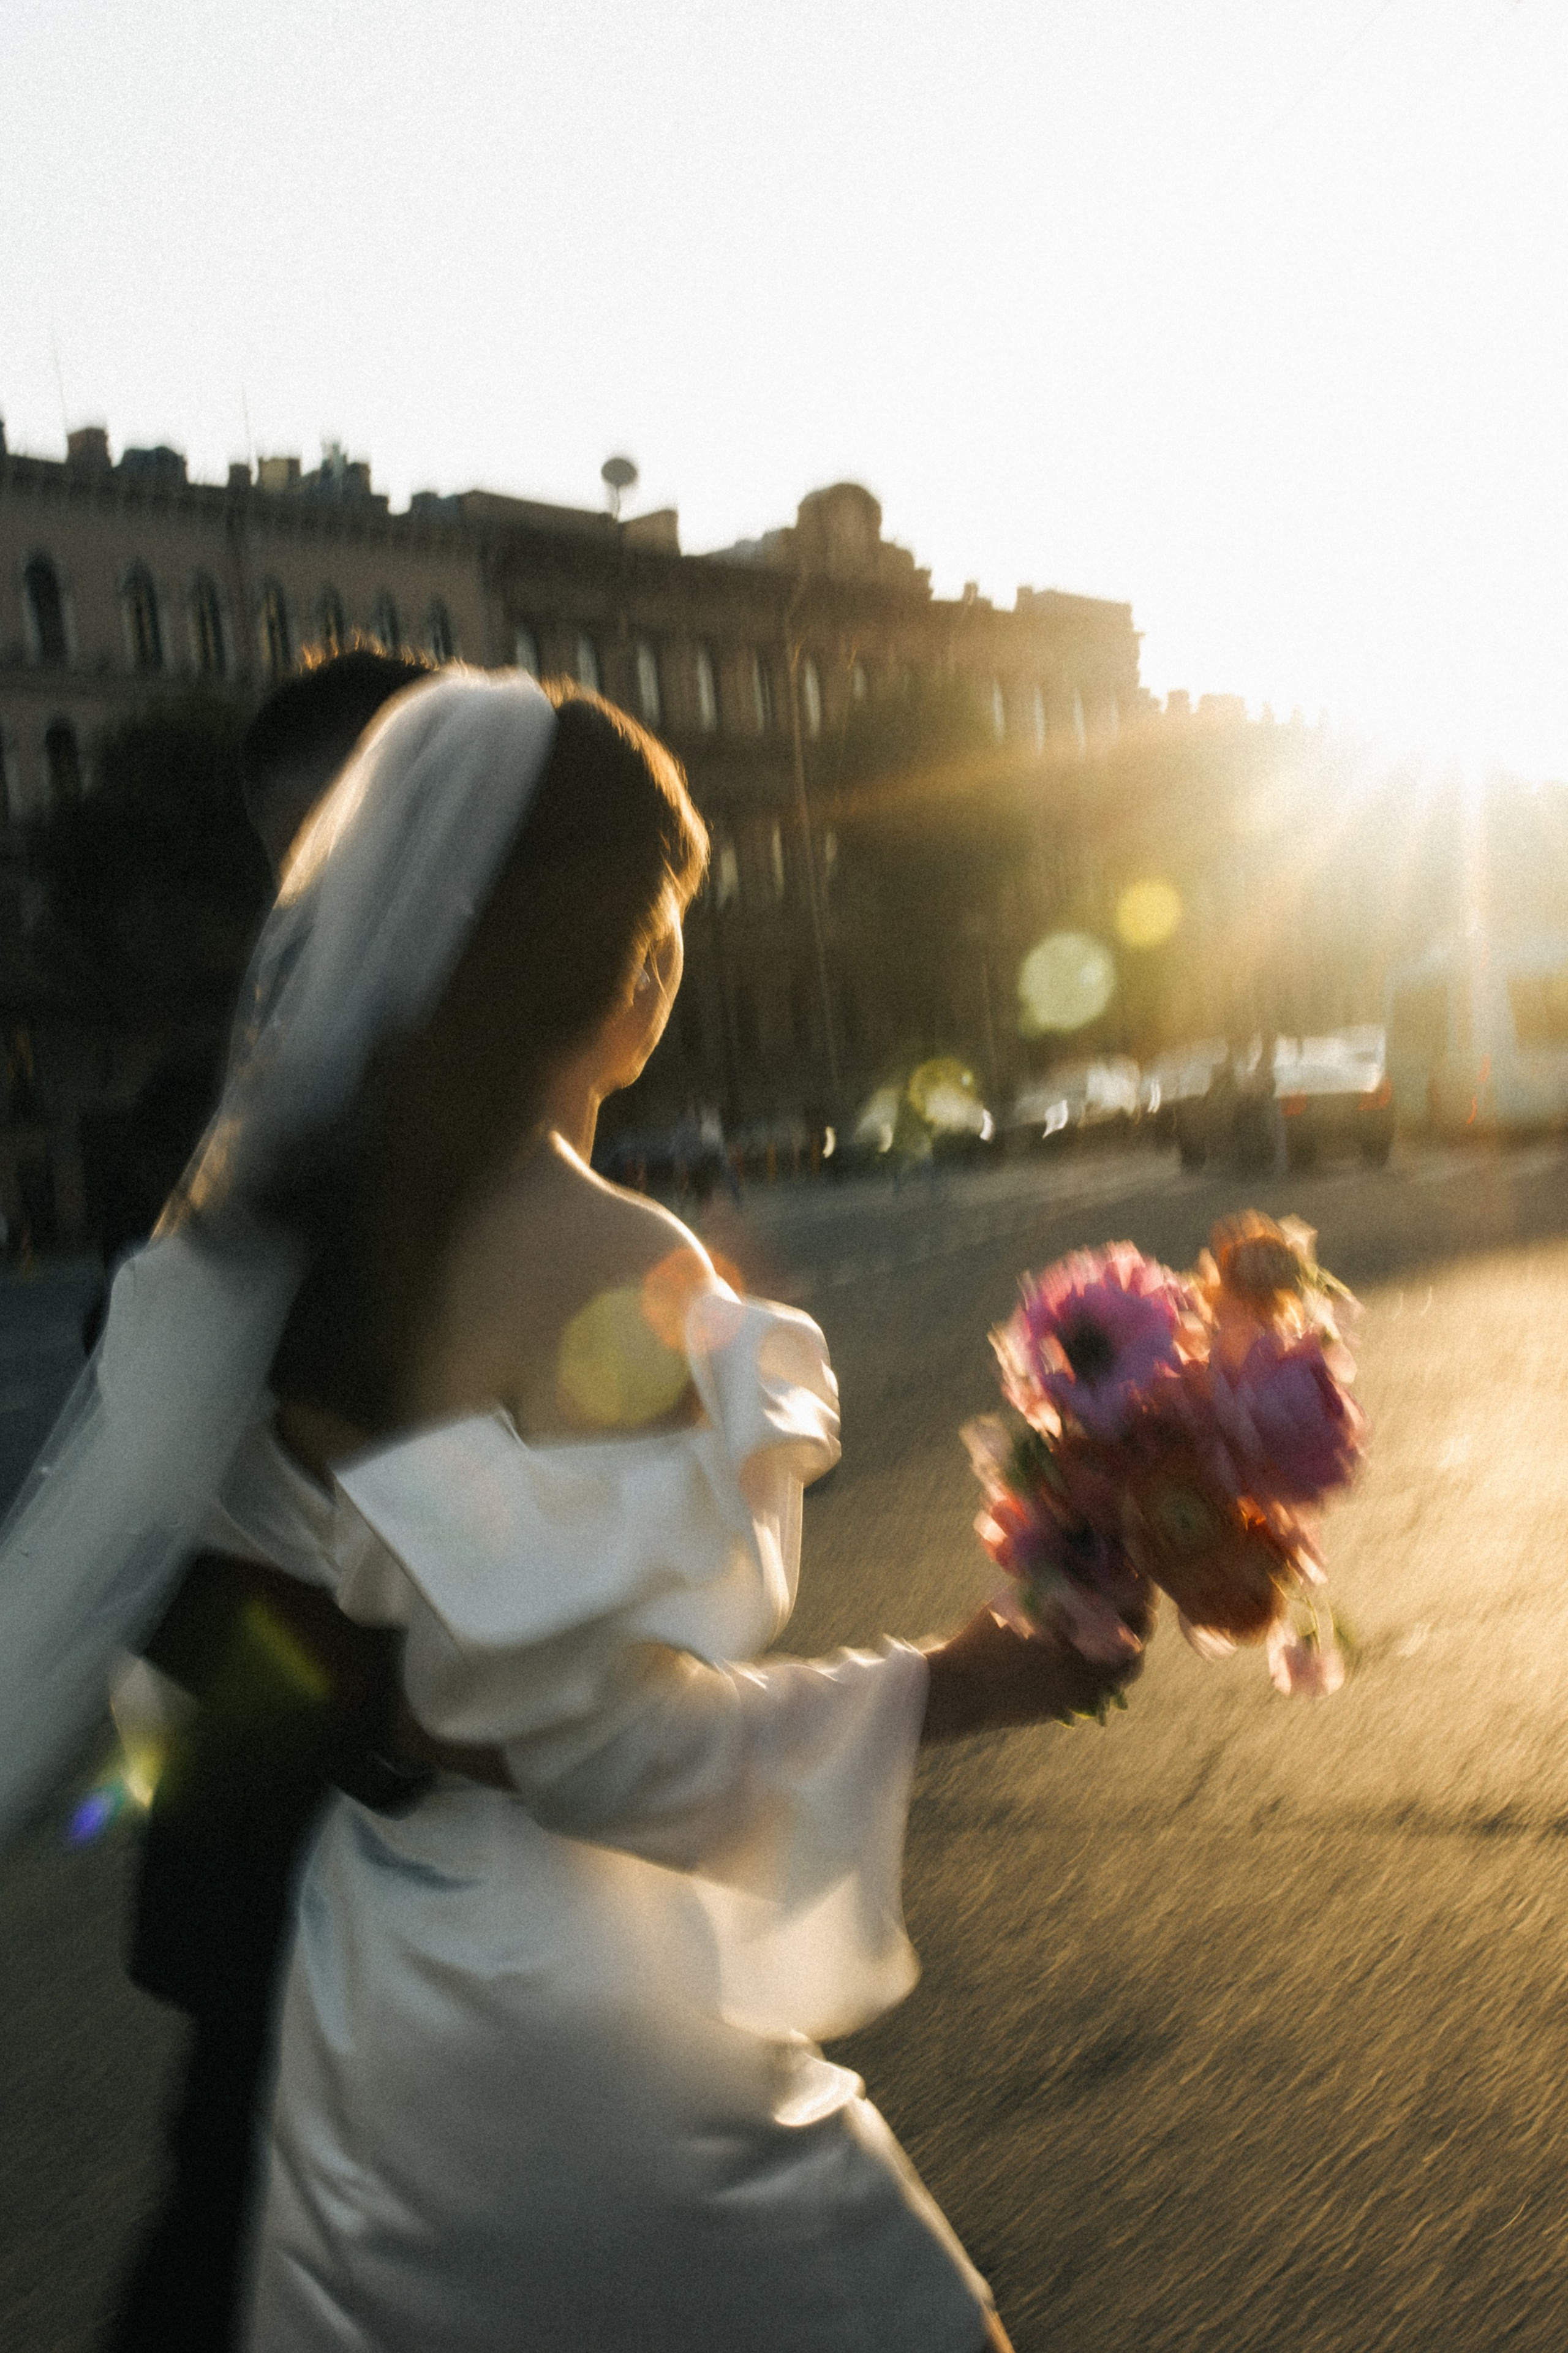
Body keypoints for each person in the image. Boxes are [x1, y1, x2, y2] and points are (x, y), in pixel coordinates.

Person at [0, 669, 1142, 2353]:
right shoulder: (613, 1257)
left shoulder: (265, 1235)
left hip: (361, 1970)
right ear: (636, 962)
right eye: (670, 921)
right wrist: (960, 1683)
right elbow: (597, 1754)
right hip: (572, 1999)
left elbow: (255, 1637)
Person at [102, 646, 433, 2353]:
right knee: (230, 2225)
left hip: (480, 1828)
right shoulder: (223, 1133)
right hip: (279, 1828)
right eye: (297, 857)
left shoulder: (502, 1092)